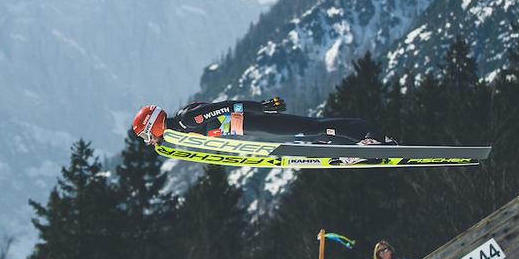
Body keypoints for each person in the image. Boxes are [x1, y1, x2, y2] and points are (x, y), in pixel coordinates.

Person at [132, 98, 395, 146]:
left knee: (311, 127)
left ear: (153, 125)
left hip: (255, 121)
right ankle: (351, 147)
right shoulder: (179, 132)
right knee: (311, 133)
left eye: (147, 135)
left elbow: (224, 107)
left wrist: (260, 107)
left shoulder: (187, 120)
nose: (150, 140)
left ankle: (369, 136)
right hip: (253, 129)